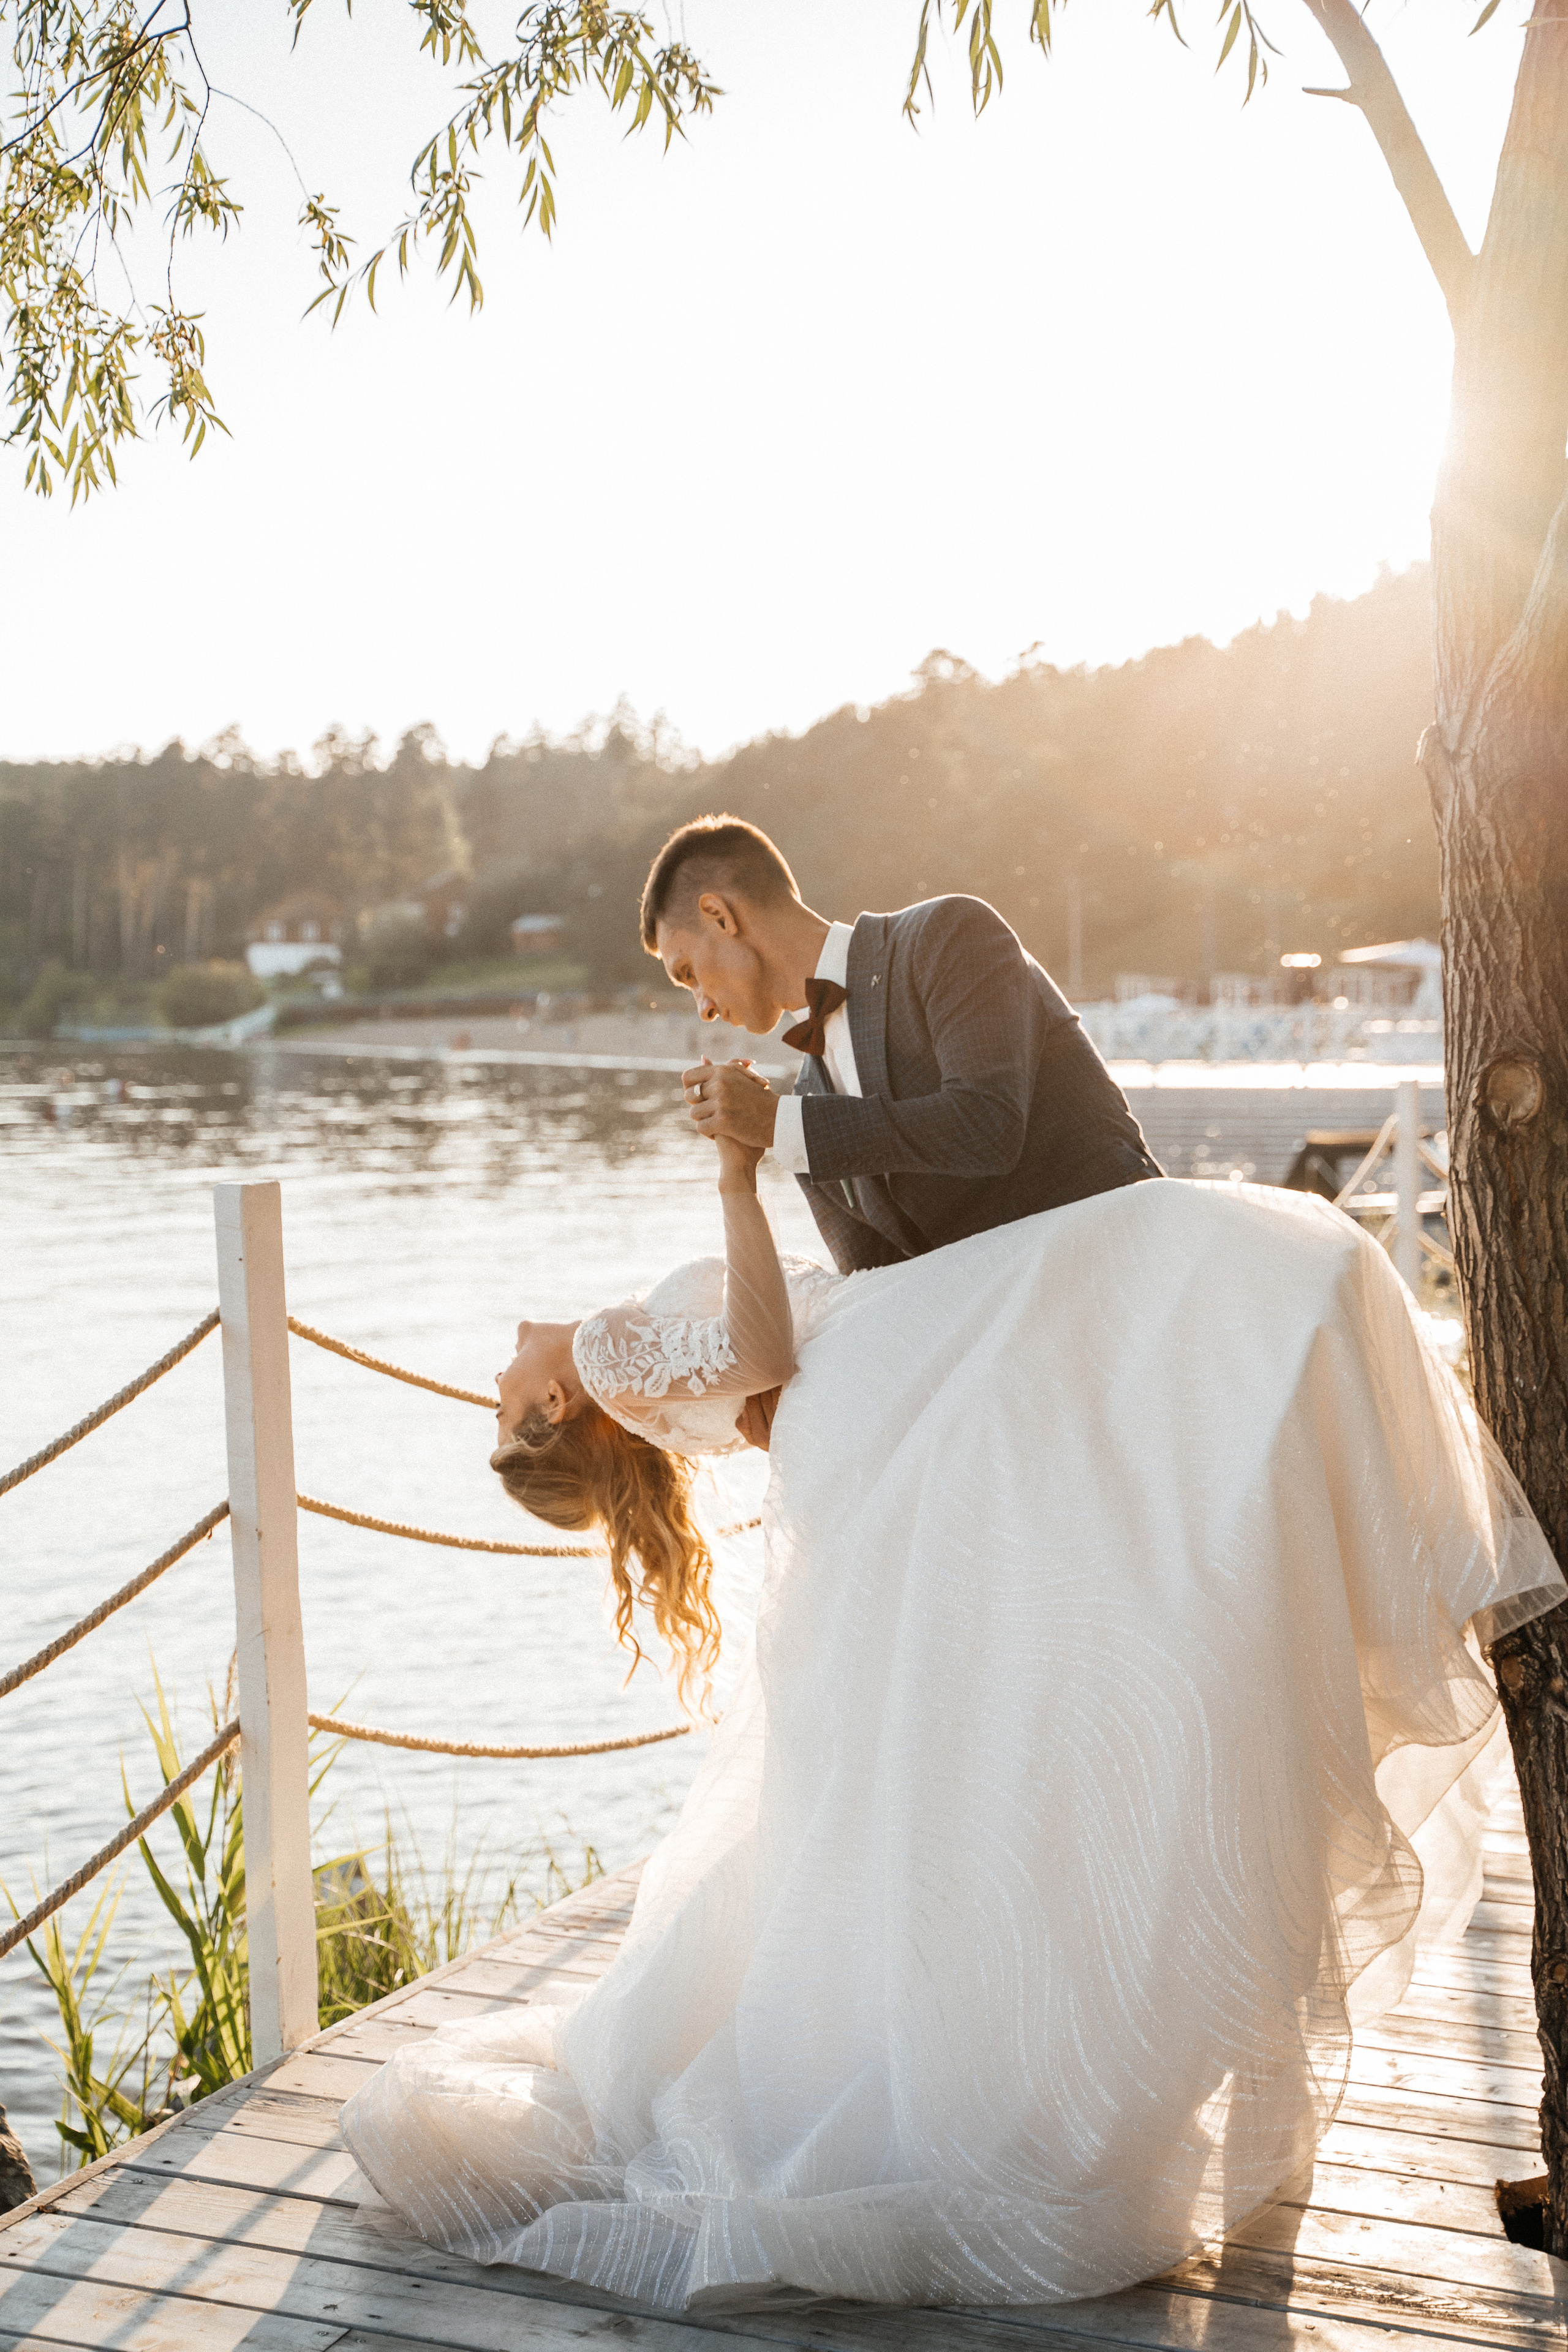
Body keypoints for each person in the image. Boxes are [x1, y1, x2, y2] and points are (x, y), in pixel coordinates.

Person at [341, 1121, 1563, 2313]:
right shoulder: (609, 1355)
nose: (493, 1380)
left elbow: (759, 1379)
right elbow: (763, 1344)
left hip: (893, 1372)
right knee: (1196, 1318)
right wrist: (735, 1168)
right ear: (557, 1407)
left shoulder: (634, 1378)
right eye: (501, 1407)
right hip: (892, 1354)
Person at [640, 814, 1164, 1277]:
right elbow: (876, 1285)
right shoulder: (806, 1099)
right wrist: (745, 1163)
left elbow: (988, 1126)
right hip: (1016, 1336)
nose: (702, 1007)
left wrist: (779, 1124)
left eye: (689, 974)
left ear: (719, 915)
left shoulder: (946, 935)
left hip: (1136, 1269)